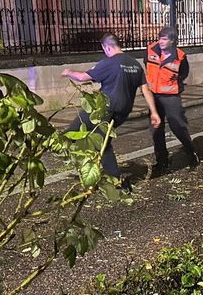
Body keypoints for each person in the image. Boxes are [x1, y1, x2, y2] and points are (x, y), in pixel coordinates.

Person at [61, 33, 161, 188]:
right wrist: (154, 112)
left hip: (104, 109)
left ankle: (116, 180)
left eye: (104, 49)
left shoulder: (110, 62)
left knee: (73, 134)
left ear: (107, 47)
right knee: (100, 139)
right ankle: (98, 169)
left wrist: (68, 72)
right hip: (123, 112)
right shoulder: (135, 64)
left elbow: (82, 77)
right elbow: (146, 90)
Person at [143, 26, 199, 173]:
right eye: (159, 38)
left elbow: (184, 73)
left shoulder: (180, 56)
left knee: (177, 126)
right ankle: (162, 161)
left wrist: (173, 82)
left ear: (172, 41)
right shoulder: (150, 50)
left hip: (171, 97)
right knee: (156, 129)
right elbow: (147, 66)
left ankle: (191, 151)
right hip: (153, 96)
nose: (160, 41)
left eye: (164, 39)